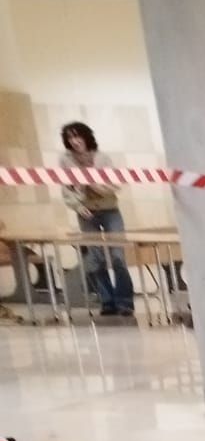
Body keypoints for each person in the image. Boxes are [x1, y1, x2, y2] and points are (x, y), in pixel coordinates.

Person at [57, 123, 134, 319]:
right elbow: (66, 188)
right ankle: (107, 301)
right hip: (86, 212)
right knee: (95, 258)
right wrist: (77, 205)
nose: (74, 141)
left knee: (118, 256)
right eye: (70, 138)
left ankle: (125, 302)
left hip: (110, 210)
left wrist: (91, 182)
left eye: (77, 136)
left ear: (85, 137)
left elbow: (114, 185)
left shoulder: (102, 157)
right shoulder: (65, 160)